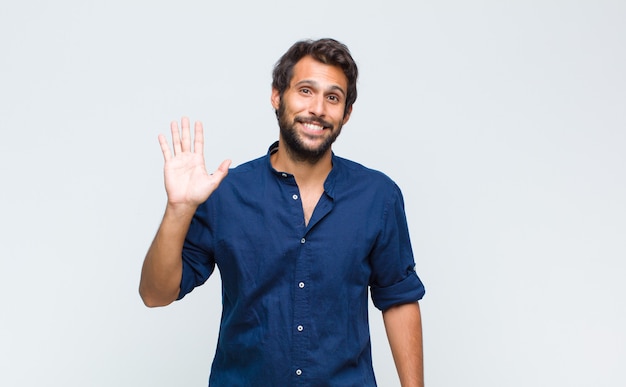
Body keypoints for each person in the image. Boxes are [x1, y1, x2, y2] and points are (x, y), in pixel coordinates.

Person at [139, 38, 426, 387]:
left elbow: (398, 299)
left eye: (332, 97)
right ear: (277, 96)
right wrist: (178, 210)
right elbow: (155, 294)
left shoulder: (377, 197)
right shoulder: (225, 194)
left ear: (346, 113)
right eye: (305, 90)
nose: (318, 108)